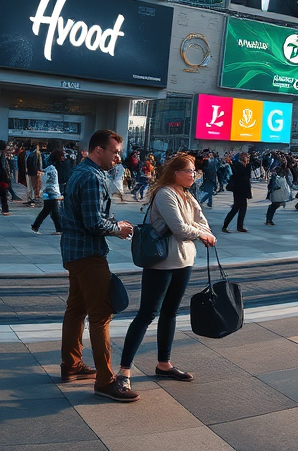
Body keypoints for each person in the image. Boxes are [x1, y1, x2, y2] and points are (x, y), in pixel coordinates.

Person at [117, 154, 216, 390]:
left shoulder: (187, 195)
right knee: (147, 314)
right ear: (175, 173)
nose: (193, 175)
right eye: (189, 171)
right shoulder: (165, 194)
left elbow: (203, 223)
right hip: (161, 263)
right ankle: (124, 371)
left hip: (184, 261)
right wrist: (200, 233)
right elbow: (180, 228)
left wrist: (199, 230)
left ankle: (164, 363)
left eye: (194, 171)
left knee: (170, 313)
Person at [59, 129, 136, 402]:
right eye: (114, 152)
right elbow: (94, 222)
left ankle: (71, 365)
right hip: (89, 254)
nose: (118, 158)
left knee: (76, 309)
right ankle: (105, 381)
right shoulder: (92, 177)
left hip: (74, 252)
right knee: (101, 315)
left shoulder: (81, 171)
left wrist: (113, 223)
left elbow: (88, 215)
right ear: (98, 150)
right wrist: (118, 229)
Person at [32, 147, 64, 234]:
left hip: (48, 190)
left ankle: (36, 226)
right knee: (54, 211)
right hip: (52, 191)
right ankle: (59, 229)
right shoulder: (54, 167)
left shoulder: (50, 165)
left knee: (47, 210)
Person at [222, 152, 252, 232]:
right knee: (236, 208)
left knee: (243, 209)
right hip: (238, 189)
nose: (248, 159)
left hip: (244, 189)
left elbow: (248, 176)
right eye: (247, 157)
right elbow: (237, 175)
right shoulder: (236, 165)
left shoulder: (247, 166)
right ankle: (225, 225)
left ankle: (240, 226)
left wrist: (247, 165)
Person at [25, 143, 42, 208]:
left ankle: (32, 198)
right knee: (35, 186)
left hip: (31, 172)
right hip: (35, 172)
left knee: (32, 185)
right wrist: (39, 170)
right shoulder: (37, 153)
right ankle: (34, 198)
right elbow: (39, 163)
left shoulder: (30, 154)